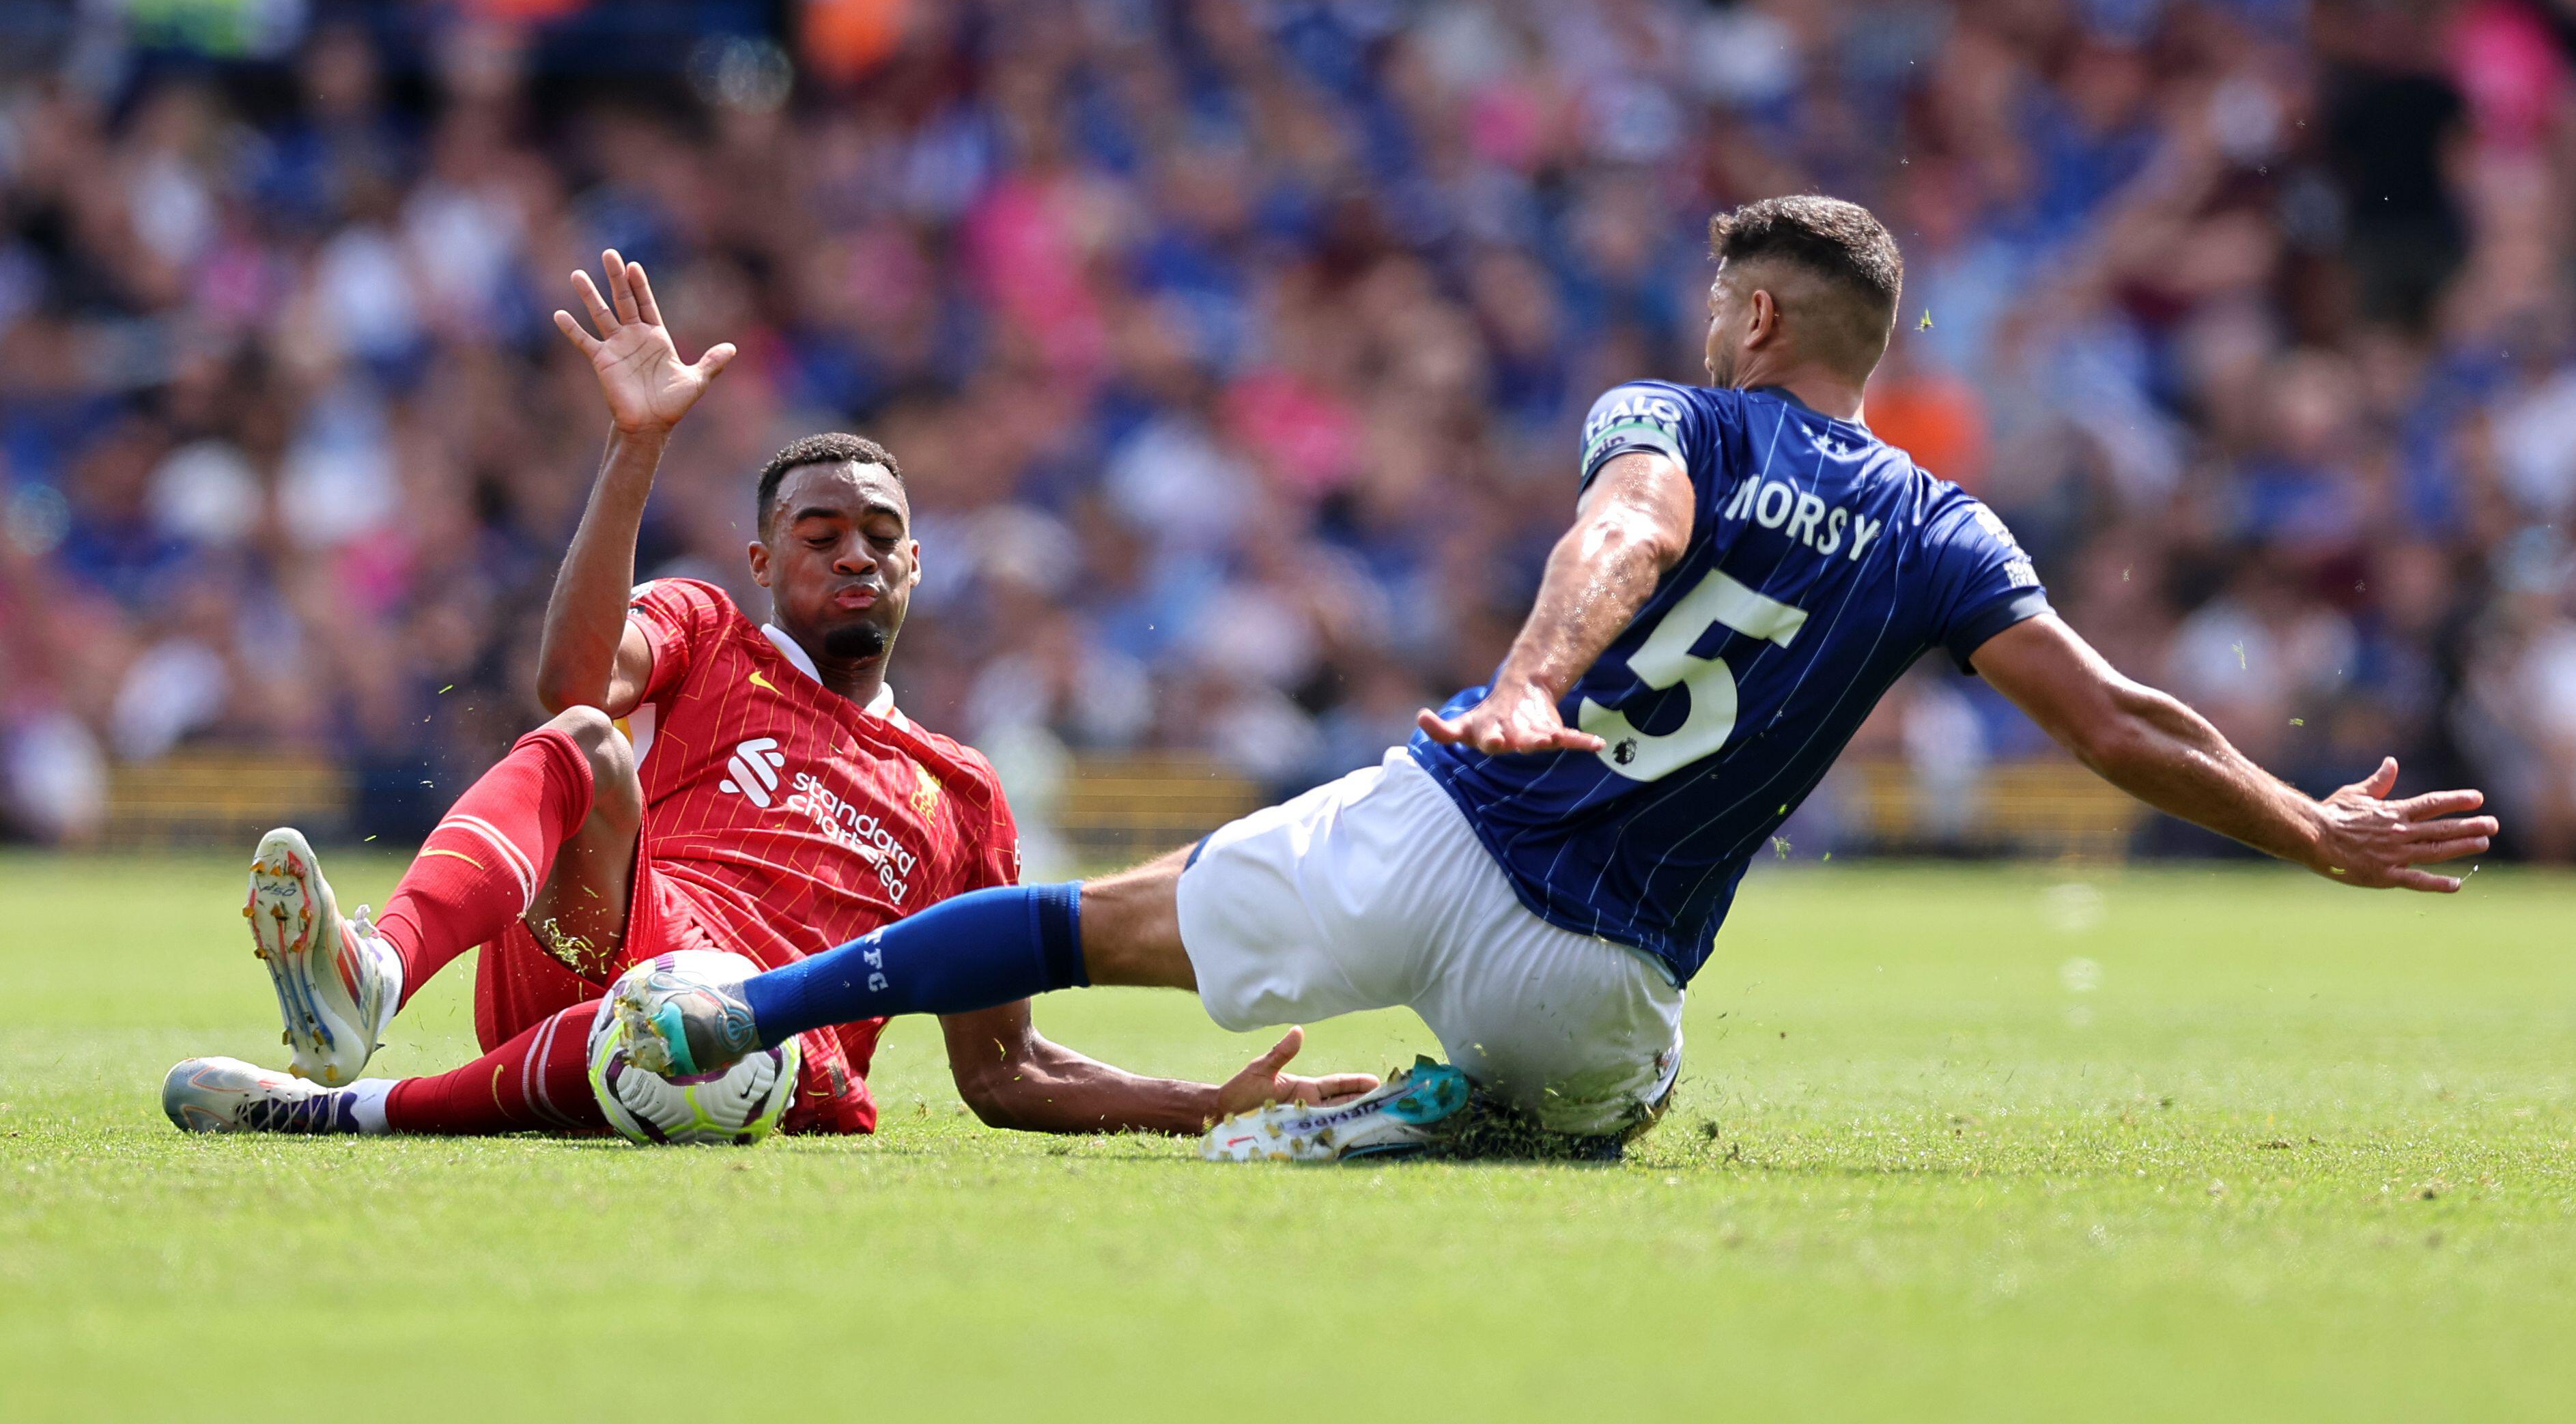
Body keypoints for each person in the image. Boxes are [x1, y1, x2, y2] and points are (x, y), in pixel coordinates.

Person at [612, 195, 2500, 1163]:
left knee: (1070, 927)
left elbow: (1620, 530)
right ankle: (1453, 1112)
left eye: (1715, 301)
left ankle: (740, 1015)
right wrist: (2297, 821)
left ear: (1753, 319)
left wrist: (1525, 680)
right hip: (1587, 975)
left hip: (1440, 816)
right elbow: (2115, 724)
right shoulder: (1944, 528)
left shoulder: (1673, 411)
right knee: (1613, 1105)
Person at [163, 249, 1371, 1139]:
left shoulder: (964, 792)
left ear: (914, 563)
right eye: (819, 531)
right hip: (601, 940)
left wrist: (1203, 1103)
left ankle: (337, 1112)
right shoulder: (711, 631)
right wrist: (635, 446)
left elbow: (1006, 1071)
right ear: (763, 562)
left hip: (771, 1055)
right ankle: (376, 973)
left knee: (685, 1018)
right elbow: (570, 683)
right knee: (587, 738)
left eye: (879, 533)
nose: (852, 553)